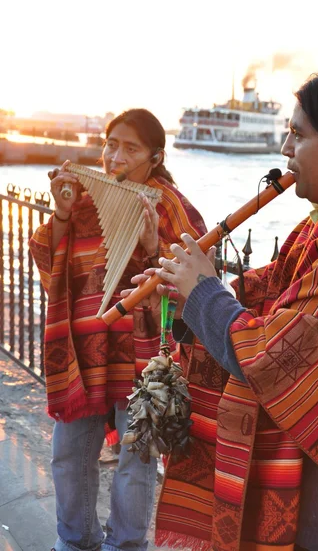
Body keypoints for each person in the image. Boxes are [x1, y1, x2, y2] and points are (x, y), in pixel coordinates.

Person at [131, 69, 318, 550]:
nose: (284, 150)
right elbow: (266, 300)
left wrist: (203, 292)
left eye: (297, 134)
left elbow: (277, 355)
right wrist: (183, 294)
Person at [29, 108, 207, 551]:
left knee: (136, 457)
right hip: (85, 346)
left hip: (144, 350)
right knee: (69, 454)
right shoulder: (85, 195)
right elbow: (49, 264)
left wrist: (152, 248)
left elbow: (198, 280)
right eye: (111, 145)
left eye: (130, 148)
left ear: (155, 156)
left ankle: (124, 545)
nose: (115, 157)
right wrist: (64, 214)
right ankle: (75, 540)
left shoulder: (170, 206)